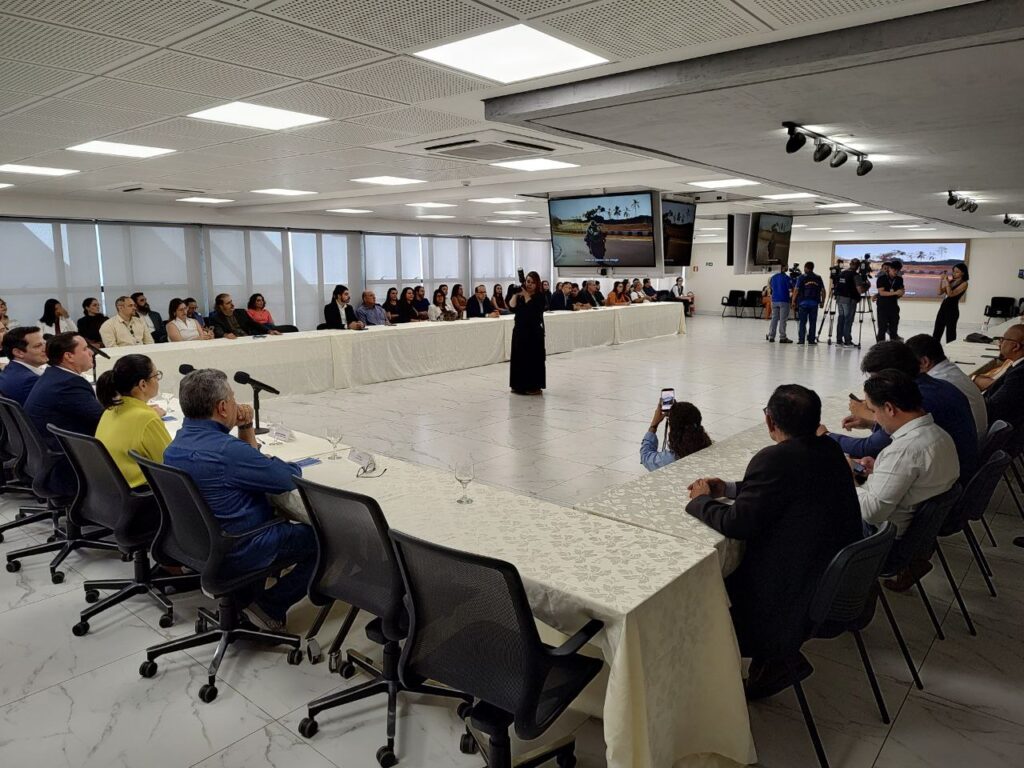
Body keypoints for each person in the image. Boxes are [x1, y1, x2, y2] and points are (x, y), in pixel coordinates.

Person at [686, 384, 863, 700]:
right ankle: (773, 661)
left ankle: (766, 660)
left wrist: (700, 501)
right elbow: (785, 488)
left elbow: (737, 523)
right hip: (832, 577)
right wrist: (728, 488)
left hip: (794, 591)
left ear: (769, 420)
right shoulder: (828, 448)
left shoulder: (774, 459)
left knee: (704, 590)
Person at [163, 368, 315, 630]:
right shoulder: (227, 451)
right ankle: (269, 607)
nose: (237, 404)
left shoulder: (176, 445)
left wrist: (245, 427)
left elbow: (245, 462)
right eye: (233, 398)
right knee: (324, 539)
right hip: (242, 546)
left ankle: (247, 600)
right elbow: (287, 478)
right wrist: (277, 462)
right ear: (222, 407)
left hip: (197, 544)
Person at [827, 340, 978, 481]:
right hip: (955, 474)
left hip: (950, 482)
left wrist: (826, 436)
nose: (875, 386)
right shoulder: (938, 386)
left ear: (892, 376)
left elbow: (869, 447)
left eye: (876, 379)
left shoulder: (917, 400)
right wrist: (871, 423)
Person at [856, 369, 959, 538]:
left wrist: (847, 480)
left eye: (873, 411)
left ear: (889, 408)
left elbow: (872, 513)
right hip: (918, 534)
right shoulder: (940, 435)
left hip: (882, 538)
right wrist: (880, 469)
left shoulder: (905, 450)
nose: (875, 419)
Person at [24, 333, 103, 496]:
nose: (91, 353)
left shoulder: (54, 375)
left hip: (46, 456)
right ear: (69, 356)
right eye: (85, 349)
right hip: (66, 464)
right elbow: (104, 420)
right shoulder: (69, 384)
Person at [95, 354, 170, 489]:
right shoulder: (147, 418)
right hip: (143, 492)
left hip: (111, 489)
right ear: (143, 384)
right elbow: (169, 463)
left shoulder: (110, 410)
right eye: (155, 376)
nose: (157, 380)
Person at [905, 334, 987, 442]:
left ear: (924, 362)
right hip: (977, 437)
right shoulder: (950, 372)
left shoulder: (936, 386)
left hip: (971, 443)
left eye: (908, 365)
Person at [641, 400, 712, 471]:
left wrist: (654, 425)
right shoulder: (709, 446)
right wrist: (678, 411)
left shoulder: (671, 459)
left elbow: (646, 457)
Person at [981, 324, 1024, 432]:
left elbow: (994, 407)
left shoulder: (1019, 374)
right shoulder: (1017, 366)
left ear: (1016, 346)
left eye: (1002, 339)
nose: (999, 343)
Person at [508, 271, 545, 396]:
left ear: (537, 284)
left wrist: (525, 295)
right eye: (528, 281)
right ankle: (518, 385)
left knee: (532, 360)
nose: (529, 284)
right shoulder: (521, 295)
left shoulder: (540, 297)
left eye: (533, 282)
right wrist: (515, 294)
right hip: (519, 331)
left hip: (533, 332)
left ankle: (534, 386)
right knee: (519, 358)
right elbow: (512, 307)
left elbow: (534, 310)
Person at [0, 326, 46, 405]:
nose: (45, 349)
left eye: (45, 344)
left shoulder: (8, 370)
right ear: (18, 353)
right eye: (38, 346)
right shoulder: (31, 380)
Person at [208, 293, 279, 339]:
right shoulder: (216, 318)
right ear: (221, 306)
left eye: (231, 301)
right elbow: (218, 331)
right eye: (228, 303)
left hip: (247, 337)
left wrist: (269, 331)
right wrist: (225, 335)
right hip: (233, 340)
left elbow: (254, 323)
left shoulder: (241, 312)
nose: (232, 305)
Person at [933, 262, 969, 343]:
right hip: (943, 308)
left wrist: (946, 281)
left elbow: (950, 294)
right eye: (953, 271)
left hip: (952, 310)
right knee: (937, 331)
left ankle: (951, 349)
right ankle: (934, 349)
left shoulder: (964, 283)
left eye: (957, 272)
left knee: (950, 334)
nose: (954, 273)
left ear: (963, 273)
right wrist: (941, 280)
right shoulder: (952, 281)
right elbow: (939, 292)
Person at [833, 259, 864, 347]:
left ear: (850, 264)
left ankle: (839, 341)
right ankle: (847, 341)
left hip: (839, 299)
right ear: (858, 266)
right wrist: (867, 286)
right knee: (848, 320)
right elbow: (860, 290)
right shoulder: (855, 275)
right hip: (849, 300)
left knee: (841, 319)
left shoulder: (842, 273)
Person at [792, 261, 825, 345]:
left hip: (803, 303)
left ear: (806, 268)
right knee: (813, 323)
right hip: (814, 303)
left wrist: (793, 301)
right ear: (812, 268)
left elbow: (796, 290)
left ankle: (801, 340)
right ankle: (811, 340)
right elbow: (823, 291)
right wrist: (822, 302)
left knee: (802, 323)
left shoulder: (801, 277)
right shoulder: (818, 277)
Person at [874, 260, 905, 342]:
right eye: (894, 270)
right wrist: (895, 293)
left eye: (898, 270)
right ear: (890, 269)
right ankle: (880, 346)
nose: (896, 272)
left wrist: (901, 293)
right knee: (882, 328)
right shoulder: (881, 279)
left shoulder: (899, 279)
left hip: (894, 306)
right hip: (883, 306)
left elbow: (901, 290)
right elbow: (882, 293)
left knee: (894, 329)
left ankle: (893, 346)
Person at [766, 263, 794, 344]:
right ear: (783, 267)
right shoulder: (787, 278)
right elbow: (790, 289)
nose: (788, 267)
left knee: (774, 319)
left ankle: (771, 336)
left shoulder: (773, 277)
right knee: (783, 320)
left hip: (774, 300)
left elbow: (771, 287)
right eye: (787, 266)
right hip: (784, 300)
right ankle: (782, 337)